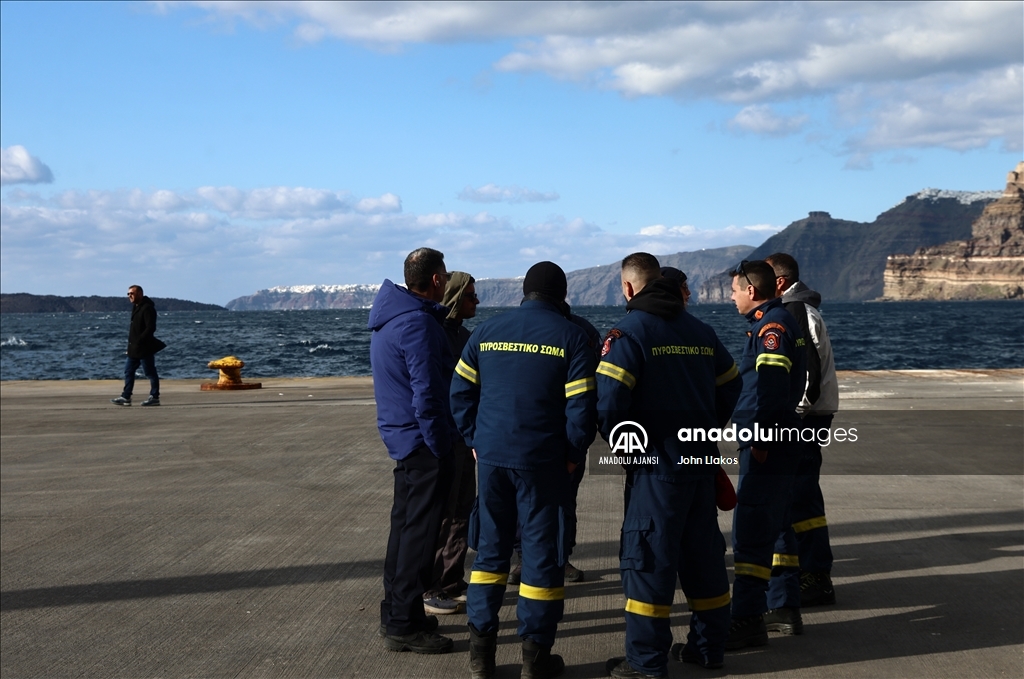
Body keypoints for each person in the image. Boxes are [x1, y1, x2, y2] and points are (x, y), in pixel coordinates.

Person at [450, 261, 597, 679]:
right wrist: (573, 454)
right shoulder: (572, 337)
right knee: (541, 558)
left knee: (489, 555)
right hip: (543, 462)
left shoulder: (486, 332)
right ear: (562, 295)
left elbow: (459, 392)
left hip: (493, 459)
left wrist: (475, 440)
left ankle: (481, 656)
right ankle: (535, 659)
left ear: (525, 293)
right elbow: (583, 408)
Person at [597, 253, 741, 677]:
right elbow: (732, 387)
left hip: (657, 470)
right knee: (704, 559)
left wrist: (631, 452)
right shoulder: (701, 331)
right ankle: (709, 647)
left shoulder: (628, 333)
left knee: (648, 563)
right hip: (699, 463)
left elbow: (609, 405)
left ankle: (646, 663)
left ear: (628, 288)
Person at [368, 247, 457, 654]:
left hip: (403, 439)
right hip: (423, 443)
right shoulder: (418, 324)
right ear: (436, 280)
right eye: (446, 275)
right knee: (420, 537)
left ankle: (397, 613)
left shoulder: (390, 318)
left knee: (404, 531)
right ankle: (404, 624)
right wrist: (441, 445)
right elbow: (427, 394)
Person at [726, 260, 807, 650]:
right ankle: (785, 607)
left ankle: (746, 619)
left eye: (734, 290)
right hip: (782, 442)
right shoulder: (778, 322)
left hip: (767, 446)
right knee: (778, 526)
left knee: (752, 531)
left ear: (751, 291)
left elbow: (772, 389)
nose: (731, 297)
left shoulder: (771, 328)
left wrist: (760, 440)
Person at [764, 253, 839, 616]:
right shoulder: (799, 309)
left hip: (803, 422)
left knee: (801, 498)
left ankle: (814, 577)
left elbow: (806, 377)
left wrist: (790, 418)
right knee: (802, 496)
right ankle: (812, 574)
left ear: (779, 282)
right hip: (810, 419)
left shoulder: (794, 311)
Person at [422, 272, 480, 614]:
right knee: (443, 513)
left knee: (462, 509)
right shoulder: (434, 333)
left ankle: (452, 580)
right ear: (457, 298)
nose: (477, 301)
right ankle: (430, 586)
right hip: (444, 436)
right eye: (471, 296)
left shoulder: (465, 336)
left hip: (464, 435)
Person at [110, 285, 164, 407]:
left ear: (139, 294)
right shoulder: (136, 307)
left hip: (144, 348)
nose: (130, 296)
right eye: (128, 294)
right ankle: (126, 396)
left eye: (132, 293)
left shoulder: (147, 308)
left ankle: (154, 397)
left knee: (150, 372)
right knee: (128, 371)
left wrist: (140, 340)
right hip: (134, 348)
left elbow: (151, 328)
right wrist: (131, 345)